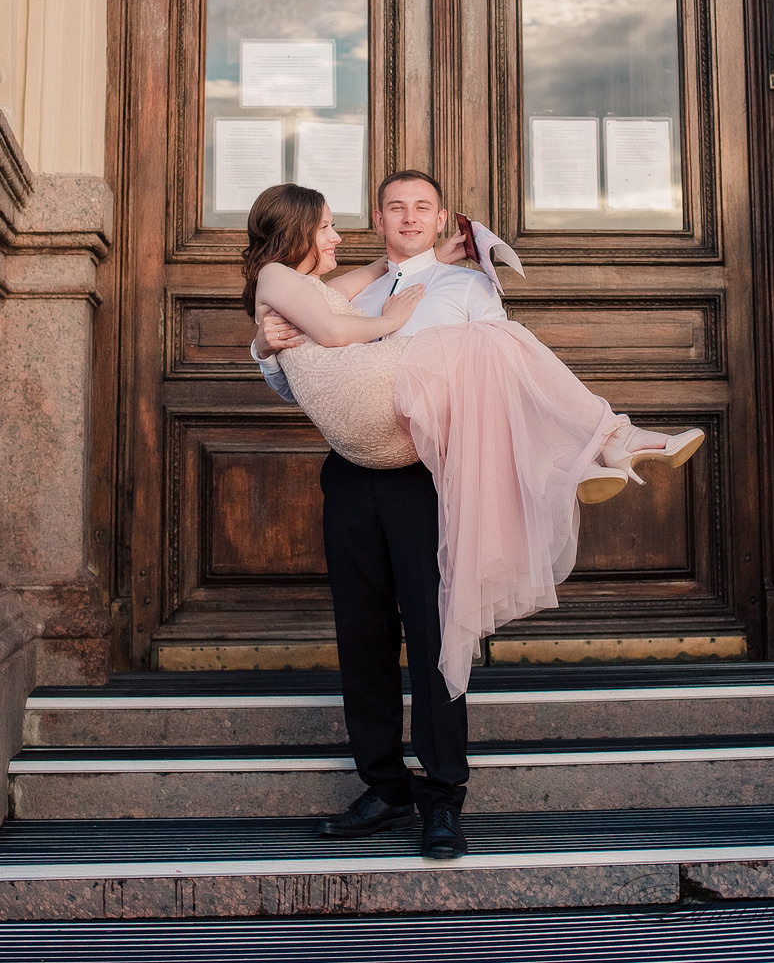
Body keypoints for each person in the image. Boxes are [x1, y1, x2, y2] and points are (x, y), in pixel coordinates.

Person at [246, 170, 703, 861]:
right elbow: (298, 384)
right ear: (378, 218)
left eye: (421, 208)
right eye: (394, 207)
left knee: (436, 631)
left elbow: (508, 387)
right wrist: (264, 346)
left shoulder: (467, 288)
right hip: (351, 472)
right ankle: (383, 785)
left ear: (441, 220)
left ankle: (442, 797)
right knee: (361, 634)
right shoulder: (337, 286)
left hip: (430, 475)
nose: (406, 218)